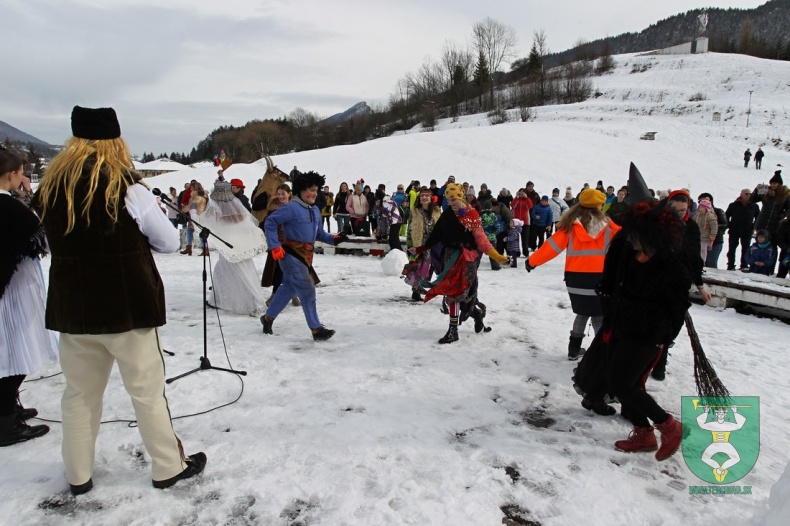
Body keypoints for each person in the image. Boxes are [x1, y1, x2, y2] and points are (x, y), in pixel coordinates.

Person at [37, 106, 205, 494]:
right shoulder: (128, 188)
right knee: (146, 391)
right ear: (116, 141)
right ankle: (167, 466)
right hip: (127, 307)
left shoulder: (51, 189)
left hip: (74, 308)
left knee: (79, 395)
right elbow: (167, 241)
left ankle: (77, 475)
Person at [598, 201, 689, 462]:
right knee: (620, 381)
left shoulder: (671, 266)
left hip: (648, 334)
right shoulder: (629, 253)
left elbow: (678, 307)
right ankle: (644, 433)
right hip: (622, 325)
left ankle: (669, 426)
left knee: (622, 384)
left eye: (636, 234)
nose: (631, 238)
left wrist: (665, 338)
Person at [0, 149, 57, 447]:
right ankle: (5, 419)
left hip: (11, 287)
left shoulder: (9, 205)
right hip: (13, 291)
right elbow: (39, 234)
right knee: (15, 350)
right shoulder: (10, 208)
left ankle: (9, 408)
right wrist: (30, 198)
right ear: (12, 174)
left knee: (11, 350)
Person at [525, 188, 621, 360]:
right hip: (602, 278)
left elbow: (552, 247)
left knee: (582, 313)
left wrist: (532, 261)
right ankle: (599, 353)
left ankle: (573, 349)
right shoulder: (610, 226)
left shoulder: (571, 225)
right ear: (599, 206)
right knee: (599, 315)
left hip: (576, 279)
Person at [409, 183, 509, 343]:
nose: (451, 202)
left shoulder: (471, 214)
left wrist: (497, 256)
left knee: (463, 295)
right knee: (454, 294)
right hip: (449, 258)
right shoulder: (447, 214)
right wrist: (419, 249)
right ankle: (456, 328)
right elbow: (436, 236)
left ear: (461, 197)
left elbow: (481, 240)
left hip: (467, 259)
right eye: (448, 199)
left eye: (454, 198)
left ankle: (471, 317)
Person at [260, 172, 345, 341]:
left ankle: (267, 318)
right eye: (310, 190)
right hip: (290, 255)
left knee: (288, 289)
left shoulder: (315, 210)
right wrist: (275, 245)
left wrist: (334, 239)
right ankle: (316, 329)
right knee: (307, 290)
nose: (314, 193)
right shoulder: (291, 207)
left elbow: (319, 234)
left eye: (316, 190)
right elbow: (270, 222)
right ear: (300, 190)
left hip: (306, 257)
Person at [201, 181, 266, 315]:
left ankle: (252, 302)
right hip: (237, 246)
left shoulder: (216, 209)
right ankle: (219, 300)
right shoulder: (237, 205)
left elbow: (205, 222)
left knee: (231, 274)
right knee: (239, 272)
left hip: (230, 248)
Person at [261, 184, 299, 307]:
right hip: (277, 242)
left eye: (283, 193)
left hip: (292, 242)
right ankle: (275, 294)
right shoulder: (274, 208)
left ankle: (293, 294)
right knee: (278, 269)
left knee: (292, 270)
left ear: (289, 194)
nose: (281, 196)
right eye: (279, 193)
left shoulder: (295, 208)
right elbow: (267, 223)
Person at [405, 187, 442, 301]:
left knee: (436, 267)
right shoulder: (414, 212)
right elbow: (409, 229)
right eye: (422, 196)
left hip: (435, 244)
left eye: (426, 196)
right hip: (419, 243)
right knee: (420, 266)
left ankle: (440, 289)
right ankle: (416, 290)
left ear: (431, 198)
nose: (424, 198)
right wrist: (410, 244)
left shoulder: (437, 212)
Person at [750, 171, 790, 275]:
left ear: (779, 184)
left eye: (775, 183)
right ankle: (756, 267)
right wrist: (756, 190)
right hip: (763, 223)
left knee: (772, 247)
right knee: (759, 246)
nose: (772, 185)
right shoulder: (766, 192)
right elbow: (752, 200)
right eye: (771, 183)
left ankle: (770, 269)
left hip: (776, 225)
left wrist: (782, 216)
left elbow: (789, 209)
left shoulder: (785, 195)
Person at [725, 189, 760, 271]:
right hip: (734, 230)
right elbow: (726, 216)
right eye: (746, 194)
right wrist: (729, 225)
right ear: (741, 194)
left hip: (747, 231)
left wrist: (753, 227)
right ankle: (730, 265)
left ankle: (744, 265)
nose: (748, 195)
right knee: (732, 248)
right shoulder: (733, 205)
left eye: (750, 194)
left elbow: (758, 218)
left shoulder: (754, 206)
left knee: (746, 248)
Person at [698, 193, 727, 268]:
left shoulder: (718, 211)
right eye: (700, 202)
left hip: (715, 241)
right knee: (701, 261)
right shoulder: (698, 214)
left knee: (711, 263)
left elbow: (725, 224)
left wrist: (713, 227)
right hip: (702, 240)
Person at [693, 197, 718, 263]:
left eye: (702, 207)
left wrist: (712, 235)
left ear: (706, 208)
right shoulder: (696, 215)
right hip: (696, 236)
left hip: (705, 236)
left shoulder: (710, 216)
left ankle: (702, 262)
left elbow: (714, 226)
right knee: (695, 249)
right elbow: (692, 224)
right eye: (699, 207)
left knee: (703, 249)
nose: (700, 209)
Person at [480, 201, 504, 270]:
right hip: (492, 238)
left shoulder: (480, 215)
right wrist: (493, 233)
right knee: (493, 253)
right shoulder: (493, 215)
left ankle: (475, 266)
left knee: (478, 254)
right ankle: (495, 266)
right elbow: (497, 227)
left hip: (482, 238)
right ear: (491, 207)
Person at [510, 188, 533, 257]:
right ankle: (517, 252)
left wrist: (526, 198)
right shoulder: (517, 200)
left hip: (525, 222)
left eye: (523, 193)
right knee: (516, 238)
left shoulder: (526, 200)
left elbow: (530, 206)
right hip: (516, 222)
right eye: (520, 193)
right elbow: (512, 205)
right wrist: (516, 198)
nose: (521, 194)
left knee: (525, 238)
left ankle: (525, 252)